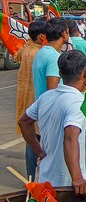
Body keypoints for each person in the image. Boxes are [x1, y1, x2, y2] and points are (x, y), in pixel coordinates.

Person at [19, 50, 86, 194]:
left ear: (59, 72)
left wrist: (38, 151)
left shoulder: (46, 97)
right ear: (85, 73)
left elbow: (24, 122)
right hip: (67, 186)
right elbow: (70, 137)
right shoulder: (78, 102)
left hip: (46, 181)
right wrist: (77, 178)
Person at [14, 21, 46, 179]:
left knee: (30, 140)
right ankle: (36, 179)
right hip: (36, 101)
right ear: (41, 36)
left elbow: (16, 55)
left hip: (26, 101)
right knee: (36, 141)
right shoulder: (40, 53)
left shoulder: (26, 49)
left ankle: (31, 178)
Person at [32, 17, 70, 100]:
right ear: (64, 34)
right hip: (50, 109)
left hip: (42, 106)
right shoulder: (53, 57)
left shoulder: (42, 52)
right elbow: (52, 92)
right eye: (68, 32)